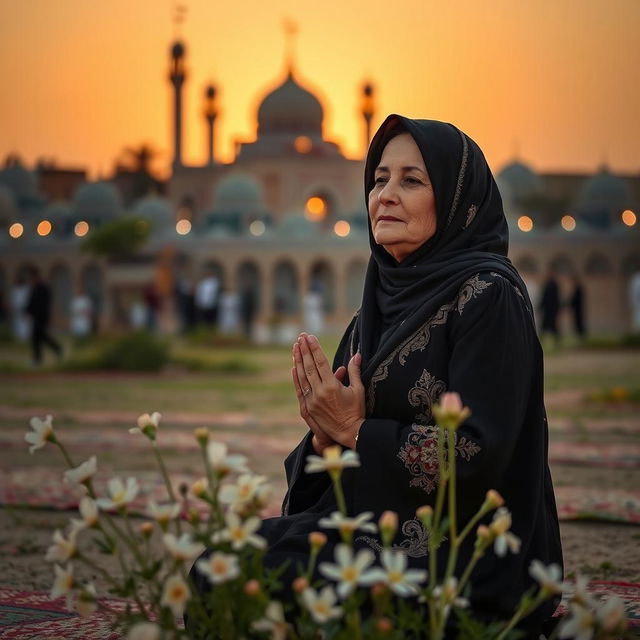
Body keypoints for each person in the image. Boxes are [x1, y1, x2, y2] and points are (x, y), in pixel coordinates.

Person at [189, 116, 563, 637]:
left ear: (458, 201)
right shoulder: (378, 307)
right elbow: (338, 461)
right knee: (219, 565)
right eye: (379, 179)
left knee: (258, 583)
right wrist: (323, 436)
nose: (385, 195)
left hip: (468, 554)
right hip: (377, 529)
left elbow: (479, 453)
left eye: (412, 180)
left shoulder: (486, 295)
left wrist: (354, 432)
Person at [25, 267, 62, 365]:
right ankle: (55, 349)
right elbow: (30, 303)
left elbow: (45, 304)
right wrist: (28, 312)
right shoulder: (34, 289)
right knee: (39, 337)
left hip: (42, 317)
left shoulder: (44, 288)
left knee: (38, 336)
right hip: (36, 317)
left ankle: (39, 358)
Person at [539, 270, 561, 346]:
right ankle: (556, 341)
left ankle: (556, 341)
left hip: (550, 310)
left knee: (550, 326)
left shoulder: (551, 285)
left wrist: (541, 306)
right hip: (550, 310)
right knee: (549, 326)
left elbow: (547, 297)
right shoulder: (552, 284)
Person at [568, 274, 586, 340]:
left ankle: (582, 337)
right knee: (577, 324)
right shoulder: (577, 289)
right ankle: (580, 337)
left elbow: (575, 300)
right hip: (576, 310)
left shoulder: (578, 289)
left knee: (579, 323)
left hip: (578, 310)